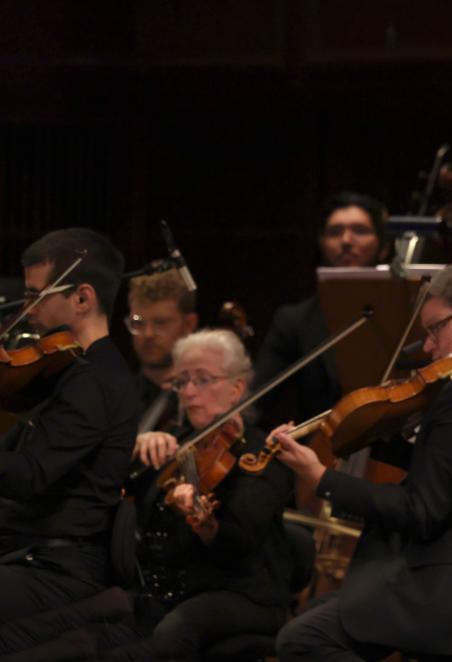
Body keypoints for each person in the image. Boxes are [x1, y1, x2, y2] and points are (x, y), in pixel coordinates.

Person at [272, 262, 452, 661]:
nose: (429, 347)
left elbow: (420, 510)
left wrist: (321, 477)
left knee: (304, 638)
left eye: (435, 329)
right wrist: (378, 434)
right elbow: (447, 470)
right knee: (312, 621)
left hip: (447, 589)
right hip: (448, 577)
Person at [120, 328, 293, 659]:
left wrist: (207, 525)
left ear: (237, 388)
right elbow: (121, 491)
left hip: (240, 591)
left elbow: (239, 541)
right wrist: (134, 449)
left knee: (174, 631)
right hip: (168, 584)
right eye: (182, 381)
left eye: (202, 380)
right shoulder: (176, 440)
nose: (189, 392)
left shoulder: (264, 453)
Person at [0, 229, 139, 627]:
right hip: (24, 552)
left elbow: (30, 475)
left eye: (34, 295)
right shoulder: (63, 369)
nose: (25, 310)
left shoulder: (97, 381)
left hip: (58, 568)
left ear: (81, 298)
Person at [252, 191, 390, 429]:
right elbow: (255, 402)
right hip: (316, 452)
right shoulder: (294, 320)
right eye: (335, 232)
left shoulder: (406, 311)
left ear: (384, 246)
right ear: (321, 243)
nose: (346, 240)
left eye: (360, 230)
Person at [125, 270, 198, 431]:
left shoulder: (202, 401)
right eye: (138, 322)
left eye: (161, 323)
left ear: (189, 324)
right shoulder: (113, 399)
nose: (148, 334)